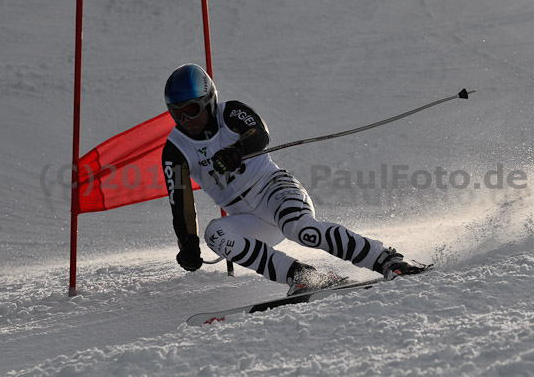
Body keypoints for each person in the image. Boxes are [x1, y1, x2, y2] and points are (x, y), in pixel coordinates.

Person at [161, 63, 428, 295]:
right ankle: (302, 276)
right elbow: (181, 201)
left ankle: (386, 260)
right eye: (177, 113)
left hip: (275, 190)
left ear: (208, 100)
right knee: (216, 234)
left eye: (192, 109)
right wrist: (188, 244)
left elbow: (259, 133)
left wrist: (236, 151)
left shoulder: (229, 113)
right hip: (247, 217)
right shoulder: (176, 149)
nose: (186, 119)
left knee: (300, 230)